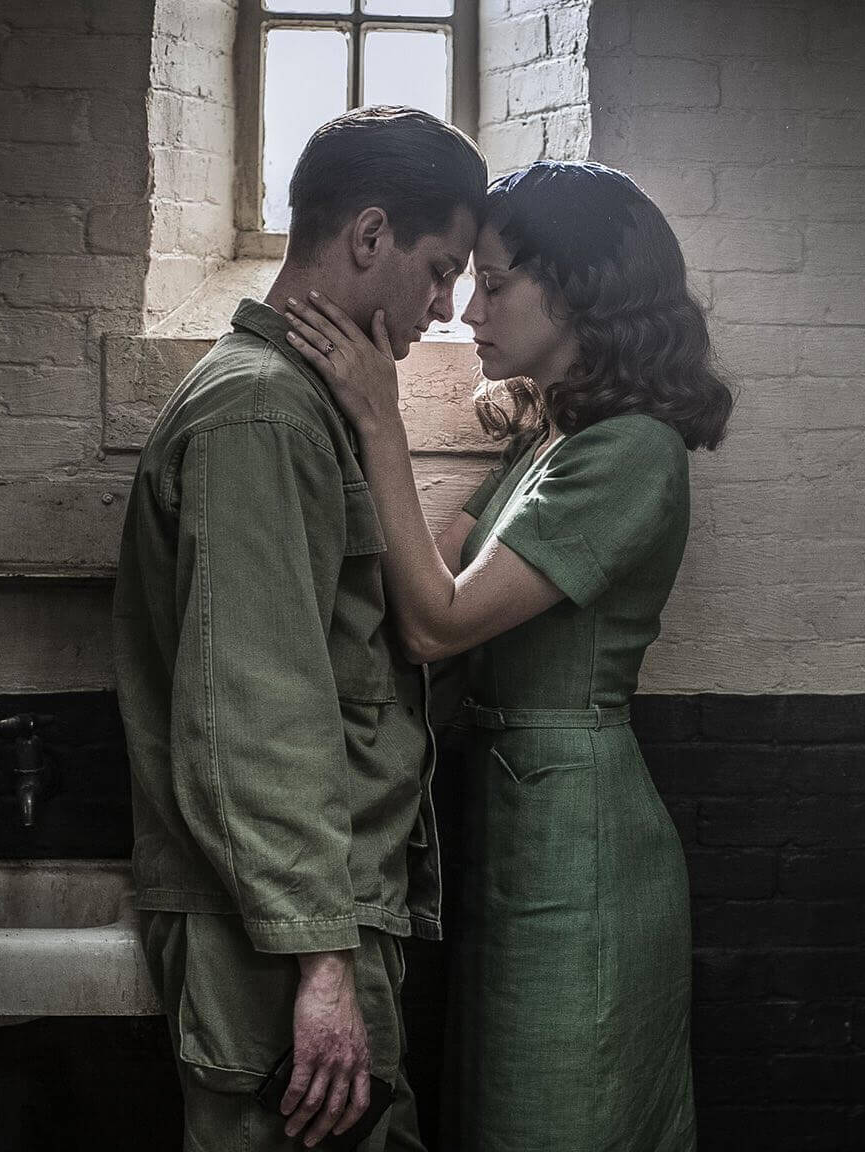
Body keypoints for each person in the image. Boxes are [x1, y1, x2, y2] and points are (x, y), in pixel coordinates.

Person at [281, 160, 734, 1151]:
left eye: (493, 283)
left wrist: (379, 416)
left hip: (583, 844)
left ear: (577, 290)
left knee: (561, 1119)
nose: (469, 311)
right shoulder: (549, 440)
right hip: (516, 825)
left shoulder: (632, 451)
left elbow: (434, 623)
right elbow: (425, 567)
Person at [112, 105, 485, 1152]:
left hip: (307, 914)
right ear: (369, 236)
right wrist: (322, 964)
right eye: (440, 270)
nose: (446, 308)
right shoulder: (263, 414)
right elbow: (258, 710)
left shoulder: (296, 406)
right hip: (281, 939)